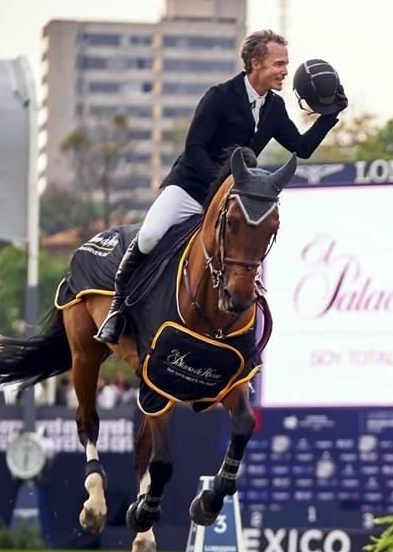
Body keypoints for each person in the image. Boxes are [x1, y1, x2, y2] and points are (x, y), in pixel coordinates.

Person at [95, 30, 347, 344]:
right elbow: (195, 147)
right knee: (149, 235)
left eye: (286, 63)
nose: (285, 71)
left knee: (243, 246)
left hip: (228, 198)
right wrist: (220, 184)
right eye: (279, 64)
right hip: (189, 188)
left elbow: (301, 147)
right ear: (256, 64)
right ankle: (117, 309)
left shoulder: (274, 107)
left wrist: (331, 114)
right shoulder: (220, 96)